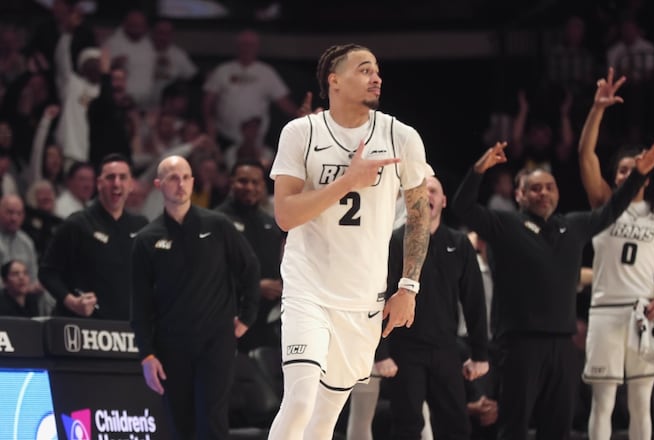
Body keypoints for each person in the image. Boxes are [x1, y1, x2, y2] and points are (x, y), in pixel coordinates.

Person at [266, 43, 430, 440]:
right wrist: (347, 181)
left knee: (325, 417)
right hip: (308, 289)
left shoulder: (402, 137)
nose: (376, 77)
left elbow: (419, 215)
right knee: (301, 399)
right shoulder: (300, 132)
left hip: (362, 298)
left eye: (376, 70)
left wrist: (408, 286)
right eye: (363, 69)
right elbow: (285, 215)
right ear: (333, 81)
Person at [452, 139, 654, 440]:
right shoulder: (504, 224)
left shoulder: (573, 226)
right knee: (513, 428)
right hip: (518, 346)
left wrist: (638, 176)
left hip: (563, 347)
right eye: (535, 189)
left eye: (550, 187)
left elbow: (612, 210)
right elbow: (462, 207)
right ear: (519, 195)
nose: (544, 193)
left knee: (558, 430)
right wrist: (478, 170)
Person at [578, 69, 654, 440]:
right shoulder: (604, 203)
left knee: (641, 402)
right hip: (605, 310)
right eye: (621, 170)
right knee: (603, 402)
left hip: (641, 311)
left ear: (647, 174)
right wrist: (597, 109)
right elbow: (584, 153)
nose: (627, 174)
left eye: (633, 169)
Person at [130, 155, 260, 439]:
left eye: (186, 177)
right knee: (180, 422)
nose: (181, 184)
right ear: (158, 184)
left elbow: (250, 268)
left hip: (216, 341)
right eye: (173, 178)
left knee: (212, 420)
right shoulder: (146, 238)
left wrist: (247, 317)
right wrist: (146, 354)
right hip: (171, 345)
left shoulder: (218, 225)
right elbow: (139, 303)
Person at [377, 174, 489, 439]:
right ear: (409, 198)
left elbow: (474, 301)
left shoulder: (460, 243)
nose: (427, 196)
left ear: (444, 200)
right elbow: (379, 297)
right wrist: (381, 353)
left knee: (456, 426)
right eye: (421, 190)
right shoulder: (394, 241)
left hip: (446, 349)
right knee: (406, 426)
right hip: (404, 349)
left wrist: (480, 354)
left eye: (434, 191)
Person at [40, 154, 147, 320]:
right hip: (86, 328)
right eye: (110, 177)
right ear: (99, 184)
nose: (116, 183)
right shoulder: (77, 224)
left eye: (123, 177)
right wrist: (72, 302)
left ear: (131, 184)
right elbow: (47, 273)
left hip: (126, 330)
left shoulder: (141, 226)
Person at [214, 159, 284, 354]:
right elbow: (212, 274)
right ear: (231, 182)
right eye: (243, 181)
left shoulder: (271, 225)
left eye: (256, 182)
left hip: (266, 323)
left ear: (263, 186)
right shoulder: (217, 221)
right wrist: (256, 287)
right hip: (229, 319)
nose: (250, 187)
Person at [202, 30, 311, 149]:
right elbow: (208, 103)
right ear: (237, 46)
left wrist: (304, 117)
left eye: (251, 45)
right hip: (224, 136)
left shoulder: (266, 73)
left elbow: (284, 103)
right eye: (244, 44)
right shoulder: (222, 71)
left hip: (255, 141)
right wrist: (209, 127)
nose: (247, 48)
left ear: (257, 48)